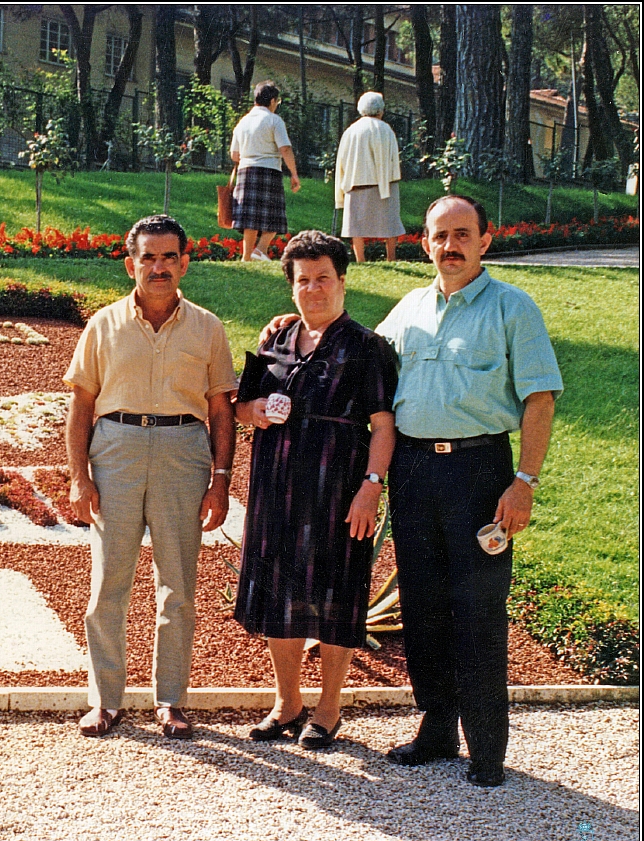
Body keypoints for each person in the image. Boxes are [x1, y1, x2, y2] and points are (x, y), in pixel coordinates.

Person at [258, 196, 562, 785]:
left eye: (462, 235)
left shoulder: (512, 309)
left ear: (484, 241)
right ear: (424, 243)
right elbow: (355, 348)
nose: (450, 246)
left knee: (477, 610)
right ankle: (437, 729)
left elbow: (540, 398)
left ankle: (487, 746)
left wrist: (523, 482)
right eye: (439, 236)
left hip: (479, 472)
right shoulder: (411, 308)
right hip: (415, 472)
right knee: (422, 606)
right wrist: (291, 323)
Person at [64, 215, 238, 739]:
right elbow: (81, 404)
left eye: (168, 257)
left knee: (178, 586)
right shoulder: (102, 325)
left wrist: (221, 479)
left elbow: (221, 410)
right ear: (130, 263)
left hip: (183, 453)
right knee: (107, 585)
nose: (158, 268)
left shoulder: (207, 328)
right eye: (148, 258)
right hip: (115, 450)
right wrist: (79, 477)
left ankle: (171, 700)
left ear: (184, 262)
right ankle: (105, 701)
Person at [233, 231, 398, 750]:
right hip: (276, 485)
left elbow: (384, 425)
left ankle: (328, 707)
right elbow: (243, 405)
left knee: (335, 590)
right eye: (303, 281)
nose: (313, 289)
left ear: (342, 280)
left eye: (323, 278)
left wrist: (371, 487)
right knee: (278, 589)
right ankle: (287, 702)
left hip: (338, 486)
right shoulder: (275, 340)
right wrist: (255, 411)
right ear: (291, 287)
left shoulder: (367, 348)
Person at [230, 81, 302, 263]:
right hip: (269, 170)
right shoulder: (274, 120)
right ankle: (261, 250)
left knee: (250, 218)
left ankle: (246, 257)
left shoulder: (242, 122)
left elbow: (234, 154)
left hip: (246, 171)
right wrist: (294, 173)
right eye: (277, 101)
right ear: (272, 101)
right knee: (273, 215)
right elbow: (285, 149)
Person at [334, 91, 405, 263]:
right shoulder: (385, 129)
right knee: (389, 221)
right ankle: (391, 257)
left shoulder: (351, 131)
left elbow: (341, 159)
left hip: (355, 182)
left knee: (356, 225)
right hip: (384, 183)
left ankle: (360, 259)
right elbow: (392, 157)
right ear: (380, 110)